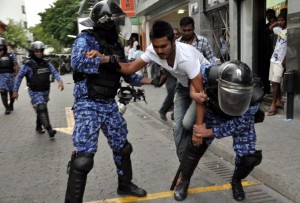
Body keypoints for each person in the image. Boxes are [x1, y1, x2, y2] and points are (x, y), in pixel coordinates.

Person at [64, 1, 156, 202]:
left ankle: (125, 185)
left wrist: (151, 80)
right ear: (105, 22)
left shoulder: (116, 45)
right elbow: (77, 61)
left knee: (123, 147)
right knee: (83, 159)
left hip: (108, 104)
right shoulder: (85, 39)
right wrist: (107, 59)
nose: (118, 26)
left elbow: (127, 73)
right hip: (88, 103)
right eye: (115, 22)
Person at [118, 19, 210, 164]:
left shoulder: (186, 57)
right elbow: (129, 68)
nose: (160, 51)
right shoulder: (152, 51)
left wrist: (199, 131)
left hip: (203, 87)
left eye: (164, 46)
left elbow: (200, 96)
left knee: (188, 124)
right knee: (177, 126)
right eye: (156, 47)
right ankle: (184, 165)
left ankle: (207, 128)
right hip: (182, 86)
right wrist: (104, 59)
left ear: (173, 40)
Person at [173, 61, 263, 201]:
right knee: (196, 144)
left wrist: (209, 132)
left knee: (248, 158)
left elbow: (240, 124)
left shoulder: (255, 97)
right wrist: (194, 93)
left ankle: (236, 181)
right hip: (214, 112)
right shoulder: (209, 73)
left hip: (239, 119)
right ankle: (184, 180)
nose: (233, 100)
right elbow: (194, 78)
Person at [12, 41, 64, 138]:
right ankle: (49, 129)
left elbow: (54, 72)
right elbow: (19, 77)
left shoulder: (46, 63)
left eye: (41, 51)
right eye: (36, 51)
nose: (39, 53)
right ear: (32, 52)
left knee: (41, 109)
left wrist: (60, 81)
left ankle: (38, 126)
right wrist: (15, 91)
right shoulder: (28, 64)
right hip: (34, 91)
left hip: (45, 90)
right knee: (41, 107)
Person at [267, 12, 287, 116]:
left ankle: (273, 104)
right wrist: (277, 22)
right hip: (273, 59)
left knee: (276, 81)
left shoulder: (289, 31)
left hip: (280, 60)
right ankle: (278, 100)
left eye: (282, 20)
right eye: (279, 19)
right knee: (275, 81)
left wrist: (285, 59)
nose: (280, 22)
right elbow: (270, 27)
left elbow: (291, 46)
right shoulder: (280, 30)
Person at [158, 28, 179, 121]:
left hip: (180, 73)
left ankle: (175, 114)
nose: (175, 36)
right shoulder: (165, 44)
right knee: (172, 91)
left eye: (177, 34)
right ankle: (163, 110)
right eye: (173, 34)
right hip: (168, 73)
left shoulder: (180, 44)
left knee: (179, 93)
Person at [0, 37, 19, 115]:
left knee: (12, 93)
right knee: (3, 92)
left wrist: (16, 74)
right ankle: (7, 108)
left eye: (1, 46)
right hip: (1, 76)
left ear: (4, 46)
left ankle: (11, 104)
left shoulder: (11, 55)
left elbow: (16, 64)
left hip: (11, 76)